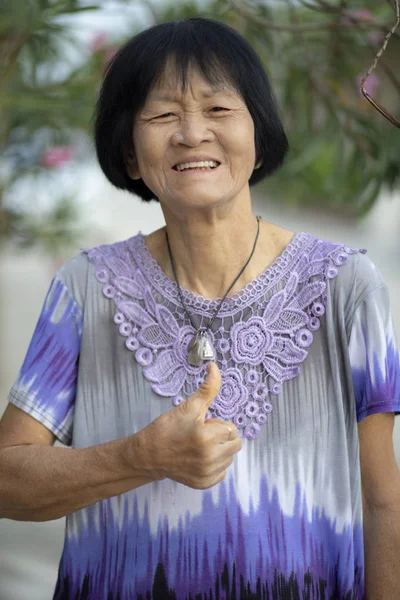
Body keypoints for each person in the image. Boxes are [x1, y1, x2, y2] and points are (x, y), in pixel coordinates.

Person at [0, 16, 399, 600]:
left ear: (258, 134)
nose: (191, 134)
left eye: (218, 110)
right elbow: (8, 481)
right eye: (162, 116)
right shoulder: (84, 288)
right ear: (131, 155)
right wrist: (140, 457)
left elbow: (384, 498)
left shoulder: (346, 286)